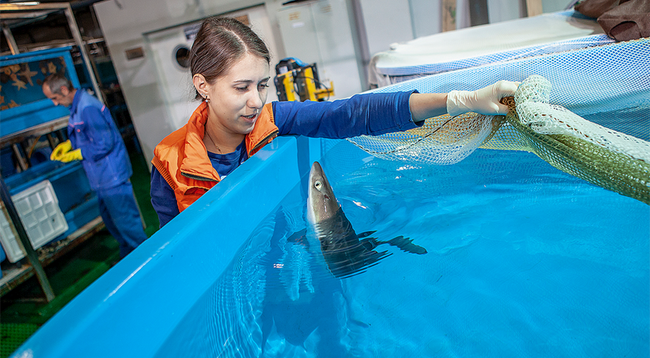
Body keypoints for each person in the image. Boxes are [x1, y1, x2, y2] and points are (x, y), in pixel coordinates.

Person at [150, 16, 519, 228]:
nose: (255, 100)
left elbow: (352, 113)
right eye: (241, 87)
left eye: (262, 85)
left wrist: (458, 101)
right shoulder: (170, 165)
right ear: (204, 85)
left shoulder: (273, 119)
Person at [43, 74, 148, 258]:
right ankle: (130, 260)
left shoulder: (87, 108)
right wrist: (70, 144)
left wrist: (78, 153)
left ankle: (147, 262)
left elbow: (104, 143)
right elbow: (87, 135)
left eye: (54, 98)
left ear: (64, 90)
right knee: (113, 223)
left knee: (127, 224)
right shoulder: (77, 107)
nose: (54, 103)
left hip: (111, 176)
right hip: (101, 178)